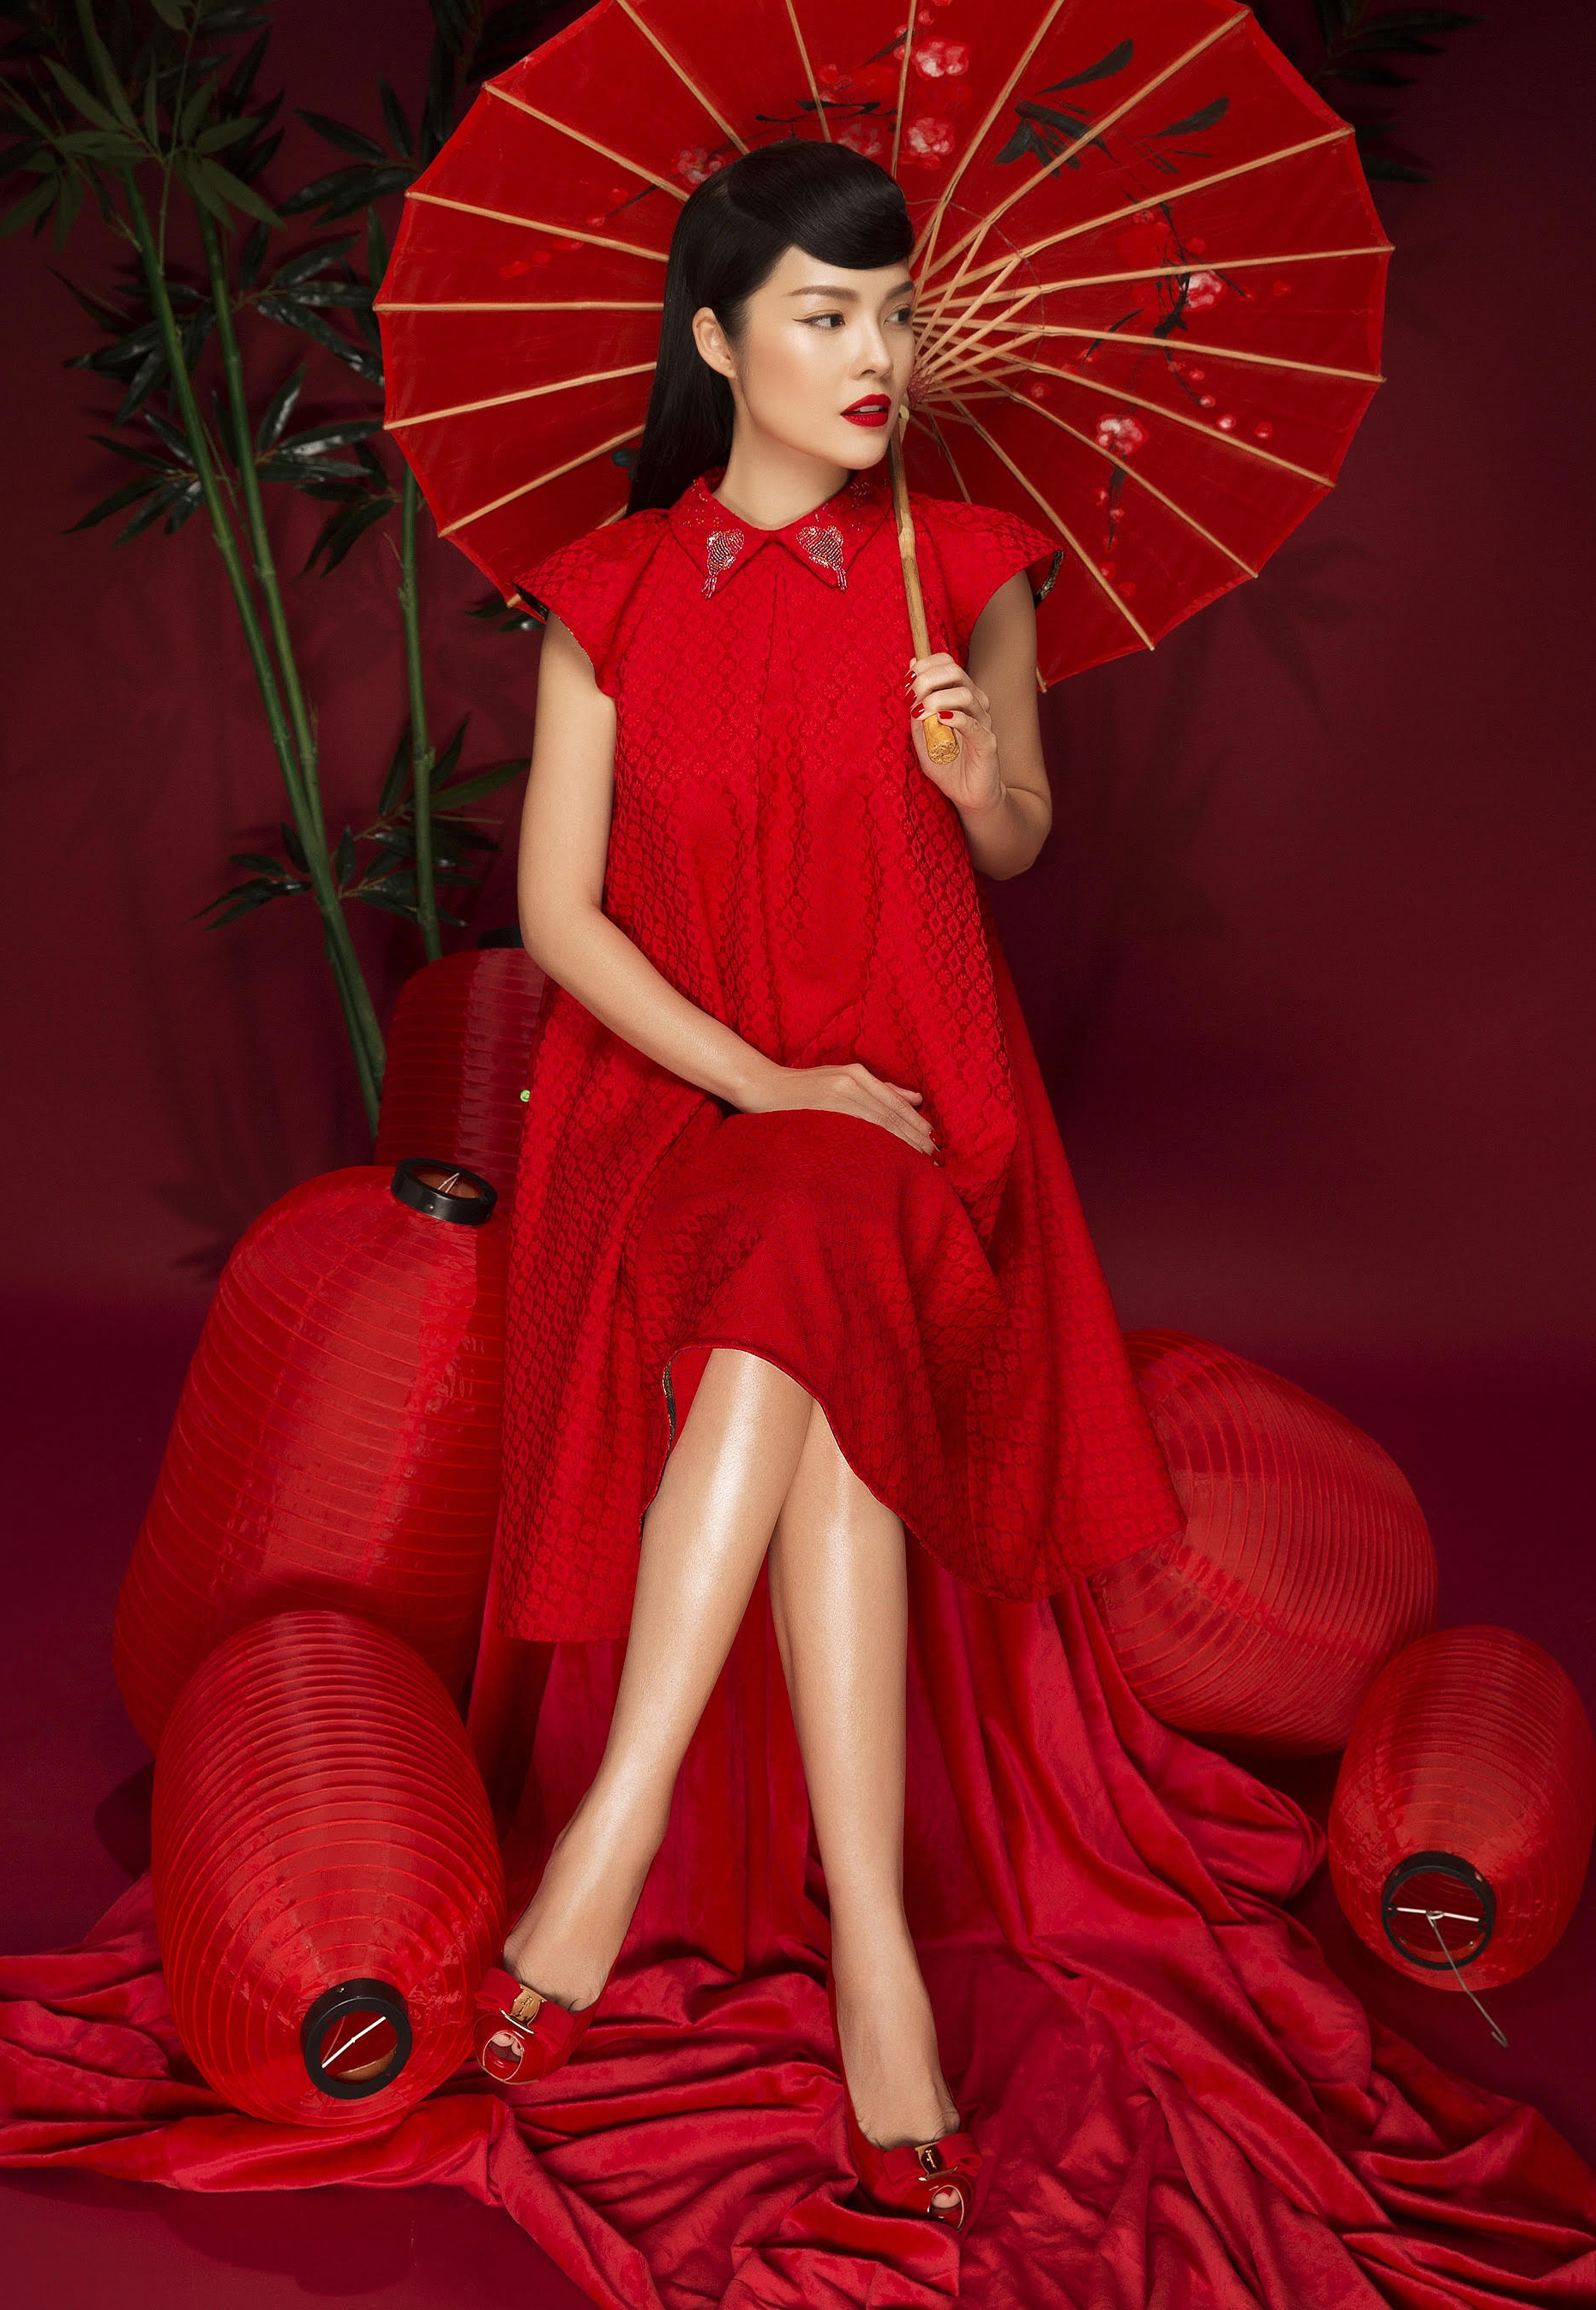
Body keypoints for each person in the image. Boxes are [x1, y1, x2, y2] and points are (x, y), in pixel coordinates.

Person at [472, 136, 1184, 2228]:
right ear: (717, 342)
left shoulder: (967, 564)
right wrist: (771, 1081)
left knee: (841, 1227)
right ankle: (874, 1957)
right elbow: (557, 920)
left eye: (894, 311)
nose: (880, 353)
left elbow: (1023, 839)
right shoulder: (606, 594)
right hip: (676, 1110)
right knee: (811, 1235)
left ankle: (612, 1847)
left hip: (913, 1097)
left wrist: (975, 774)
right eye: (825, 313)